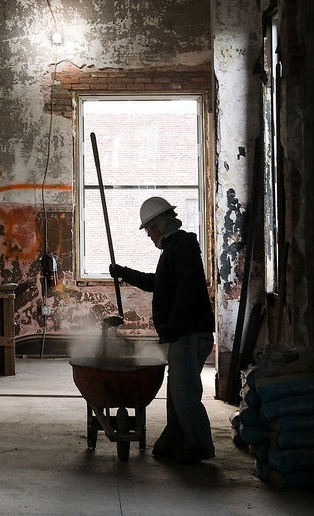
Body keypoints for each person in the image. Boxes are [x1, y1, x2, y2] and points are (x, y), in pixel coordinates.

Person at [109, 195, 215, 464]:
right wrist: (125, 272)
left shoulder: (182, 247)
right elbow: (159, 282)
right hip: (185, 333)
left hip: (188, 334)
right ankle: (174, 439)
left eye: (149, 229)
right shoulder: (175, 249)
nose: (149, 235)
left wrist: (173, 327)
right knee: (178, 390)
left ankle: (199, 445)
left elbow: (188, 291)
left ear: (160, 224)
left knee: (185, 393)